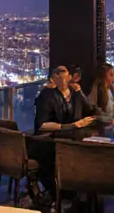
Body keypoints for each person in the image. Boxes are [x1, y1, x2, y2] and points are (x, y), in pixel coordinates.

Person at [32, 65, 97, 195]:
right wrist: (73, 125)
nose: (64, 79)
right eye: (59, 75)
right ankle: (60, 194)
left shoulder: (73, 93)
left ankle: (78, 193)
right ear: (53, 78)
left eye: (66, 75)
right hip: (48, 141)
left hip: (68, 138)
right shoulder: (47, 95)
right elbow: (42, 125)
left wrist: (79, 92)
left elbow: (90, 109)